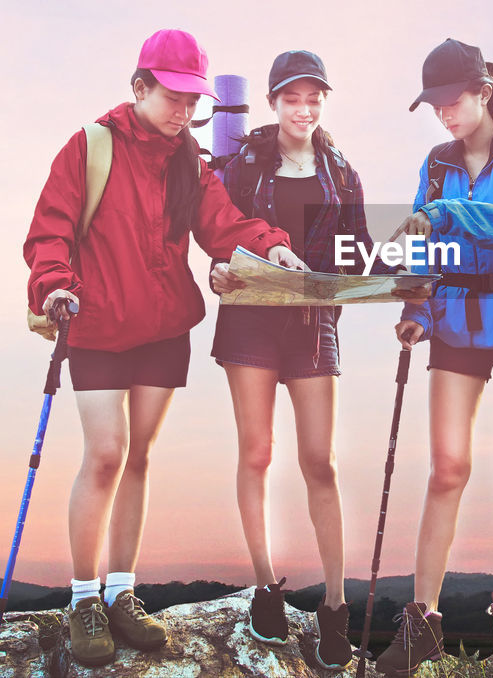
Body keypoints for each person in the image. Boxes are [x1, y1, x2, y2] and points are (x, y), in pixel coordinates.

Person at [23, 29, 301, 668]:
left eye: (193, 99)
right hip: (93, 325)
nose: (183, 110)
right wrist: (55, 285)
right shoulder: (90, 147)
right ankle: (84, 598)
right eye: (172, 95)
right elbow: (50, 230)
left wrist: (270, 244)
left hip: (164, 330)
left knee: (139, 456)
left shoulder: (188, 161)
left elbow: (223, 225)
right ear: (140, 86)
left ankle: (123, 592)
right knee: (105, 453)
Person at [375, 39, 493, 676]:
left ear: (484, 91)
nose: (443, 114)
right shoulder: (436, 164)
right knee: (446, 469)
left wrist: (443, 213)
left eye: (451, 100)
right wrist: (414, 313)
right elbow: (426, 255)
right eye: (433, 105)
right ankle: (422, 621)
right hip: (456, 321)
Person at [208, 50, 391, 669]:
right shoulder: (245, 163)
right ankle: (266, 589)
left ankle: (335, 610)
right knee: (256, 452)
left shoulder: (341, 172)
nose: (304, 109)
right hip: (250, 323)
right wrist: (219, 269)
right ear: (272, 103)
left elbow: (354, 249)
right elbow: (220, 230)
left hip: (315, 326)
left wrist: (400, 264)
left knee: (321, 462)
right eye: (292, 98)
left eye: (314, 98)